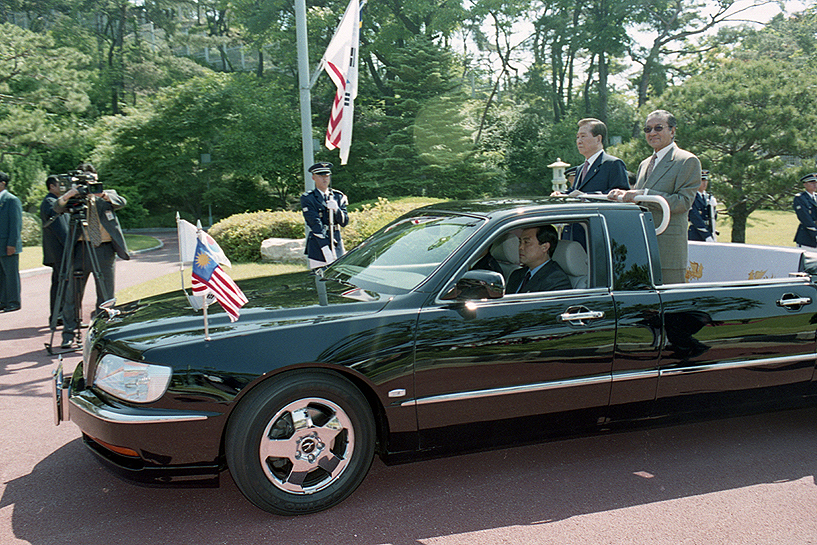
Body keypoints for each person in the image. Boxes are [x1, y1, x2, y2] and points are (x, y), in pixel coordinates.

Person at [608, 109, 701, 284]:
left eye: (658, 128)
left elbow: (683, 203)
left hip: (668, 250)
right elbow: (641, 200)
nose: (652, 133)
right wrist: (623, 196)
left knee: (671, 305)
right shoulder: (644, 164)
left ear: (672, 131)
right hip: (642, 246)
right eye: (647, 129)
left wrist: (645, 194)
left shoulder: (686, 161)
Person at [54, 163, 129, 347]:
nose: (90, 184)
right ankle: (68, 334)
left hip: (103, 249)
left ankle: (102, 331)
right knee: (73, 294)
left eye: (92, 179)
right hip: (80, 249)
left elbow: (122, 202)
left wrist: (101, 193)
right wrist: (70, 194)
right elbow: (57, 207)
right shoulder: (75, 197)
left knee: (105, 294)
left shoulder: (106, 193)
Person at [560, 118, 629, 248]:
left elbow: (620, 199)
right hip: (576, 236)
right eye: (577, 137)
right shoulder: (581, 168)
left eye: (583, 136)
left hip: (599, 237)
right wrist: (561, 195)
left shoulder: (613, 164)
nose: (579, 141)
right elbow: (574, 192)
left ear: (598, 139)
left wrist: (585, 197)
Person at [301, 162, 349, 269]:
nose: (324, 179)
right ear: (313, 177)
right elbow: (314, 223)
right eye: (321, 176)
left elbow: (344, 222)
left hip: (337, 241)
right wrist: (325, 248)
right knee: (320, 277)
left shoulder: (338, 196)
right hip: (318, 244)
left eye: (327, 175)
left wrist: (337, 209)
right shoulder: (308, 198)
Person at [506, 225, 571, 294]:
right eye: (520, 242)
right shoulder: (516, 274)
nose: (520, 247)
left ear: (545, 247)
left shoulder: (556, 280)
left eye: (526, 242)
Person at [40, 175, 70, 325]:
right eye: (60, 184)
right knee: (62, 282)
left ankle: (58, 315)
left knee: (60, 282)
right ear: (52, 186)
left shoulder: (52, 202)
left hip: (57, 251)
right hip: (59, 251)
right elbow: (61, 230)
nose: (63, 187)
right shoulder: (50, 202)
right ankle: (59, 315)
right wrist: (70, 246)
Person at [0, 171, 22, 312]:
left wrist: (12, 244)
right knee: (1, 275)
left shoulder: (11, 200)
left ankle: (14, 301)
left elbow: (15, 224)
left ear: (3, 183)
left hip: (8, 244)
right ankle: (3, 301)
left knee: (11, 275)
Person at [688, 169, 717, 242]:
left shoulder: (708, 197)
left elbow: (713, 218)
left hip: (709, 232)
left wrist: (712, 208)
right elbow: (695, 217)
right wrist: (706, 235)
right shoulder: (692, 197)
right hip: (696, 234)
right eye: (702, 181)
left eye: (706, 181)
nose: (704, 184)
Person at [794, 172, 817, 248]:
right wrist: (815, 233)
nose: (815, 185)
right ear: (805, 184)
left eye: (816, 182)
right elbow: (805, 217)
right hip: (807, 237)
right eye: (811, 182)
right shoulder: (800, 198)